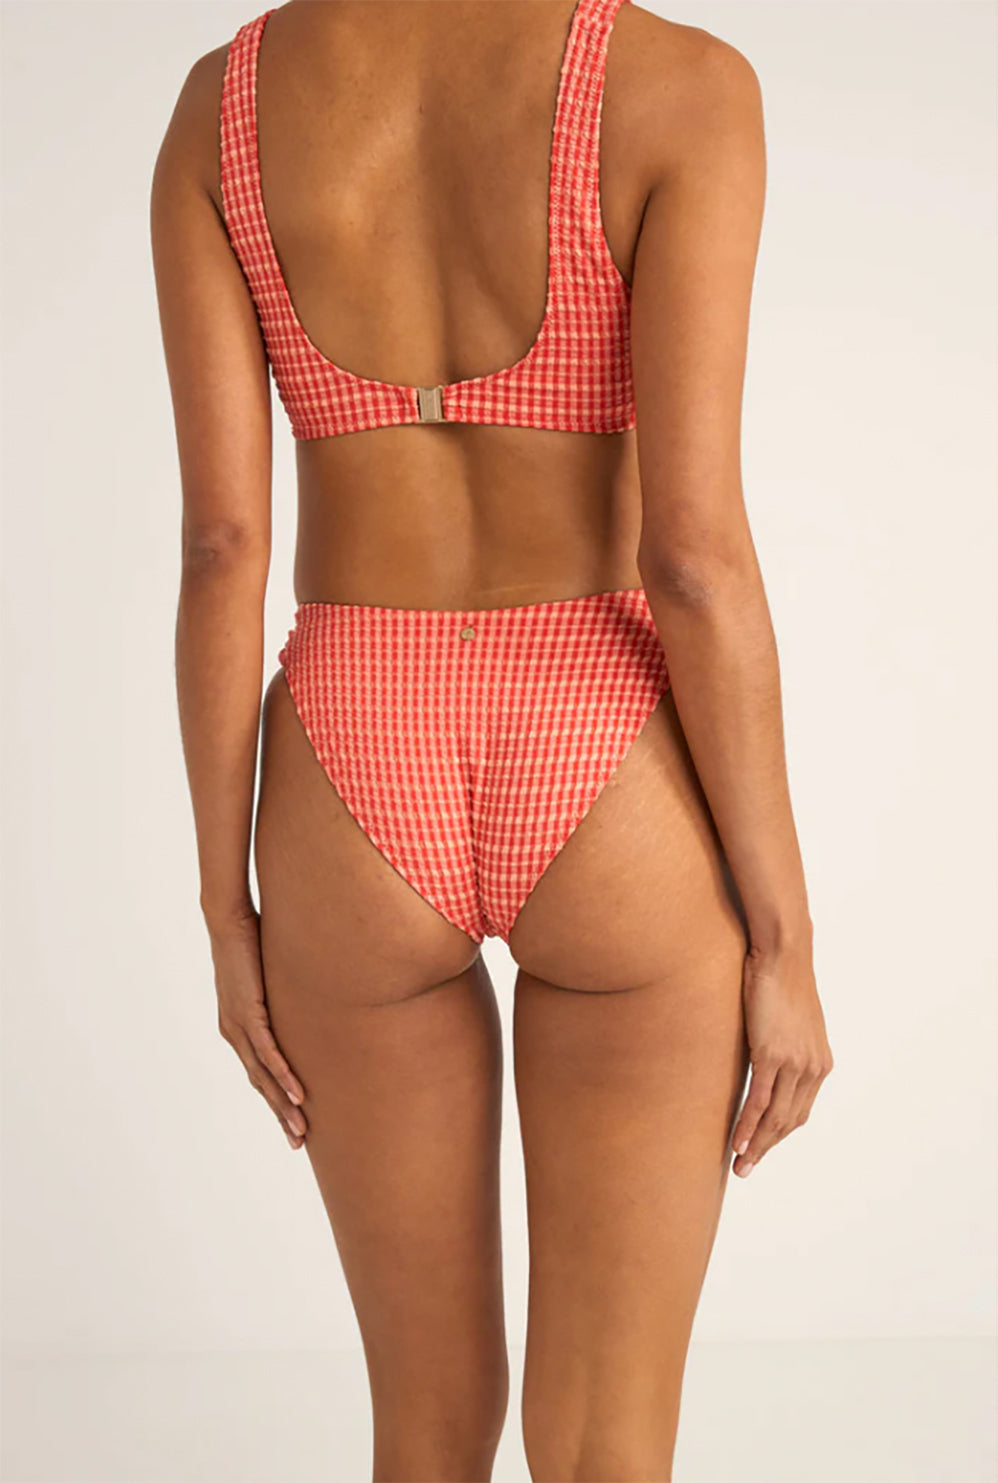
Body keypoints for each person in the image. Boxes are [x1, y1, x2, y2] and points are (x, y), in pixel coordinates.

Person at [150, 1, 833, 1477]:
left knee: (427, 1427)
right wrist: (784, 938)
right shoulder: (679, 86)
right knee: (605, 1447)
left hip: (349, 758)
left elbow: (221, 550)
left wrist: (227, 912)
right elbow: (695, 558)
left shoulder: (223, 107)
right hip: (605, 749)